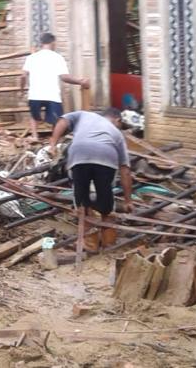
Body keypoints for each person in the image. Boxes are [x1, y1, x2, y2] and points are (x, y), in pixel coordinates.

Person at [48, 108, 133, 252]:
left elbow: (62, 121)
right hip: (106, 156)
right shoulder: (117, 134)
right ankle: (109, 243)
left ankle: (90, 244)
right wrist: (127, 200)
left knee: (83, 203)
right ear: (118, 120)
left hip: (79, 154)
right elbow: (125, 170)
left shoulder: (83, 115)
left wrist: (53, 144)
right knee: (106, 203)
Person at [20, 33, 90, 140]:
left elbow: (23, 76)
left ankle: (35, 136)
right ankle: (55, 140)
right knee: (56, 120)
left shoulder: (31, 57)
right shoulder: (58, 58)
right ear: (53, 43)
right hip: (52, 95)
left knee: (34, 117)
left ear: (41, 43)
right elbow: (65, 77)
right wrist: (80, 81)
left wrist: (21, 89)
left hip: (34, 95)